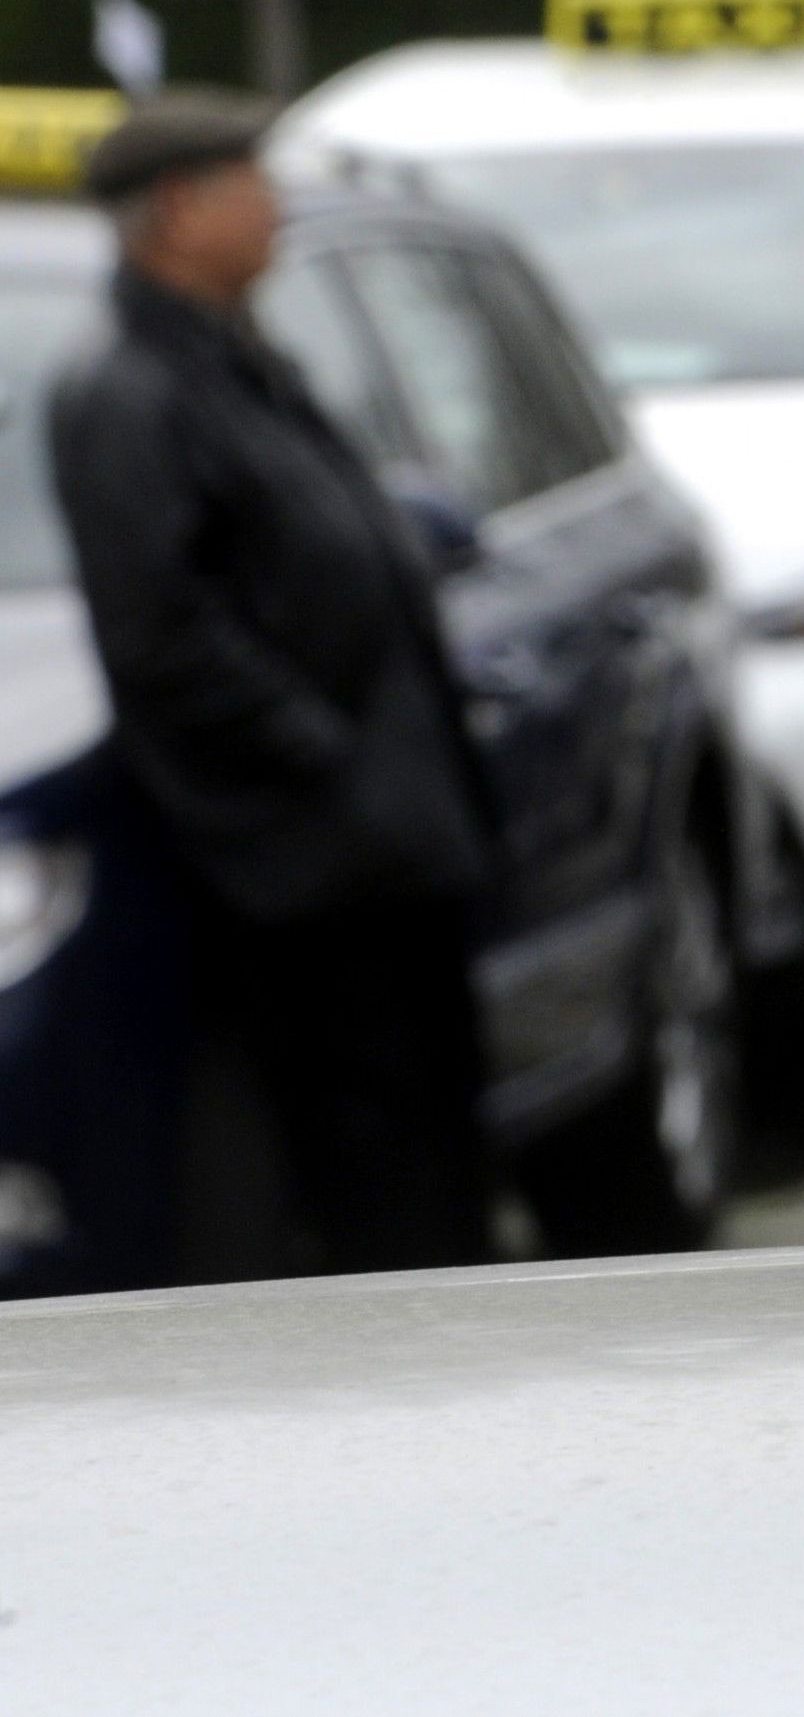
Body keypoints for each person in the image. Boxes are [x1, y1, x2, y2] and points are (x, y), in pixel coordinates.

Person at [47, 90, 497, 1275]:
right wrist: (327, 762)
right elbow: (163, 639)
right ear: (182, 210)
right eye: (256, 185)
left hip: (379, 853)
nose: (280, 210)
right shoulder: (131, 394)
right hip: (306, 866)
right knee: (370, 1184)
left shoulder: (234, 362)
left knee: (432, 1160)